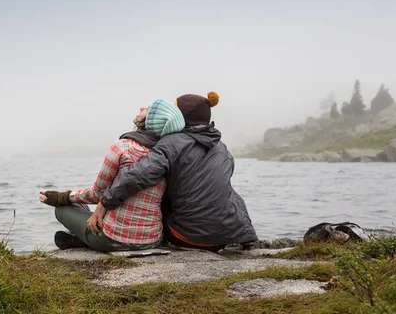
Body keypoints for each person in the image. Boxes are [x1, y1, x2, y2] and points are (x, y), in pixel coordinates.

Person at [91, 91, 258, 251]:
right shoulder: (222, 148)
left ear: (181, 116)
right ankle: (248, 236)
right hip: (225, 237)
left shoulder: (172, 143)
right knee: (227, 191)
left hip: (186, 237)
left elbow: (138, 174)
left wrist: (106, 201)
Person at [39, 99, 185, 251]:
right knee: (80, 204)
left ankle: (86, 238)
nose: (141, 107)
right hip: (153, 239)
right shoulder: (168, 156)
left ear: (152, 121)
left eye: (147, 109)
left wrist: (61, 197)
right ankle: (81, 238)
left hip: (113, 238)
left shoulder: (122, 147)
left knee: (62, 209)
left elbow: (98, 193)